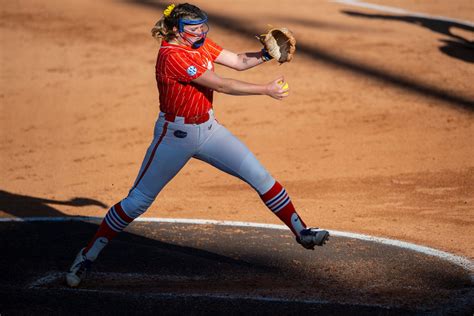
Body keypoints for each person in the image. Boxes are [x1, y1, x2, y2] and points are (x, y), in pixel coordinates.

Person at [66, 2, 329, 288]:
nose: (202, 30)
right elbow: (221, 84)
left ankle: (301, 232)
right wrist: (264, 89)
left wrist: (265, 54)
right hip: (174, 137)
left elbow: (239, 61)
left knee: (261, 177)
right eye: (195, 27)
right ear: (178, 31)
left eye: (203, 25)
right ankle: (87, 255)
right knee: (137, 202)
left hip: (209, 130)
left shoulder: (201, 44)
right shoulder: (172, 55)